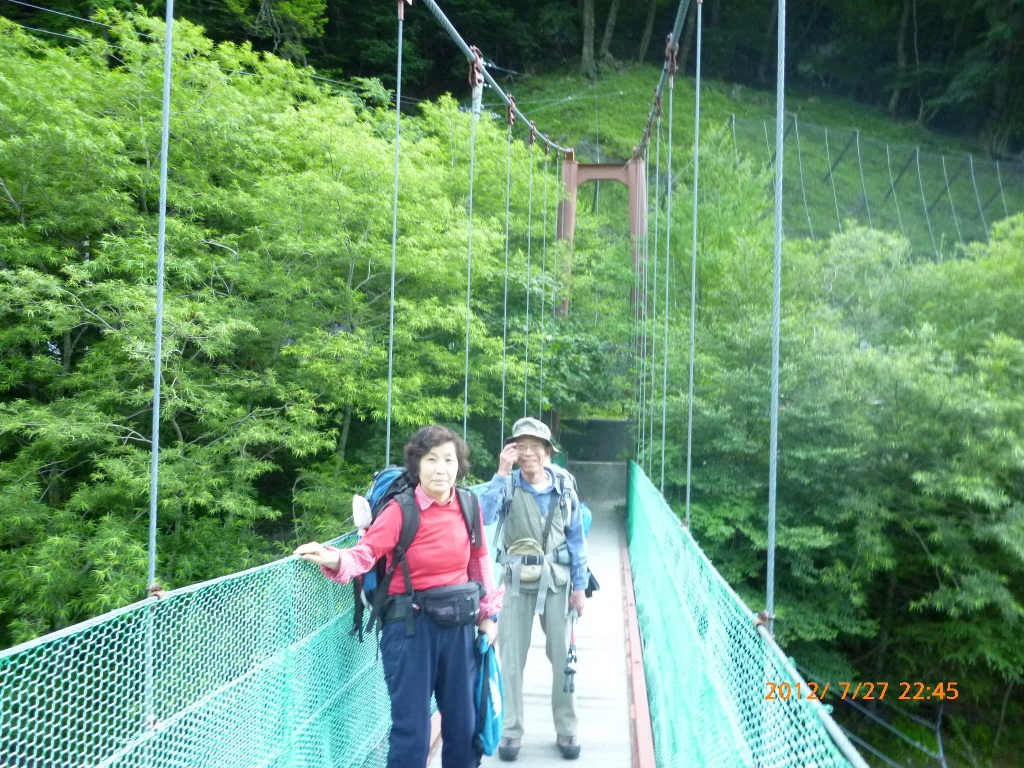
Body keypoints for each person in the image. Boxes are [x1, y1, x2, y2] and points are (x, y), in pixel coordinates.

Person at [294, 425, 502, 768]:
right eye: (431, 459)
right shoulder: (400, 510)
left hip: (459, 630)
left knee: (464, 726)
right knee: (413, 731)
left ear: (459, 465)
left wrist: (487, 616)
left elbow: (479, 563)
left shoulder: (468, 505)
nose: (440, 468)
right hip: (410, 629)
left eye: (448, 460)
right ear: (416, 466)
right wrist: (333, 557)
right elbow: (366, 554)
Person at [479, 417, 588, 761]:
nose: (527, 454)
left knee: (563, 660)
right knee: (510, 659)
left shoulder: (564, 487)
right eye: (520, 446)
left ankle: (567, 728)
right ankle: (511, 732)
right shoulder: (507, 484)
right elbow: (483, 518)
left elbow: (576, 540)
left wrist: (580, 587)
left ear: (547, 452)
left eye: (534, 447)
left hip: (557, 581)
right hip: (514, 582)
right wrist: (499, 472)